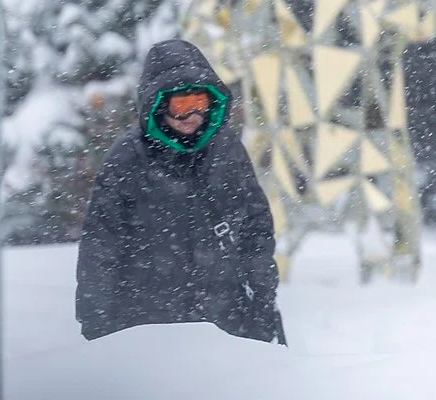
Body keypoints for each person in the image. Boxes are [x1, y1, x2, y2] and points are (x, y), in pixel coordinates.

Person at [75, 39, 286, 345]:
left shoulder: (226, 151)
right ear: (159, 106)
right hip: (148, 330)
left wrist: (263, 295)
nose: (192, 117)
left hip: (227, 325)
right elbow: (100, 249)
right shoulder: (127, 160)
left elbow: (256, 228)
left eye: (199, 104)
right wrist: (96, 324)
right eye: (182, 106)